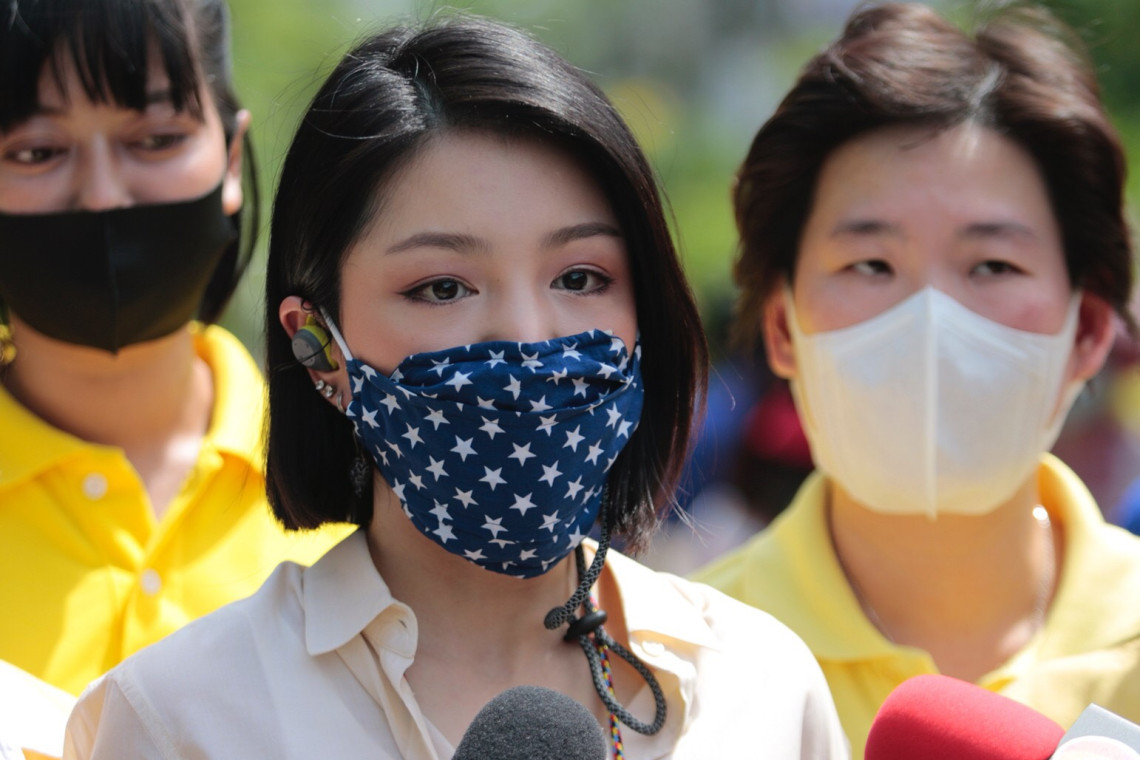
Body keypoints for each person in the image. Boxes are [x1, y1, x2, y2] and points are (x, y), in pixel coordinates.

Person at [64, 15, 849, 759]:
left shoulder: (762, 689)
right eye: (442, 288)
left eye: (580, 277)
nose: (528, 337)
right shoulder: (182, 718)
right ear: (319, 349)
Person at [693, 2, 1140, 757]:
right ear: (782, 328)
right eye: (870, 264)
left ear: (1089, 331)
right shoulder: (681, 666)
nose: (930, 317)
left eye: (992, 265)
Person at [0, 0, 349, 698]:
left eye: (156, 139)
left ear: (230, 158)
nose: (103, 196)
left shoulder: (364, 479)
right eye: (37, 151)